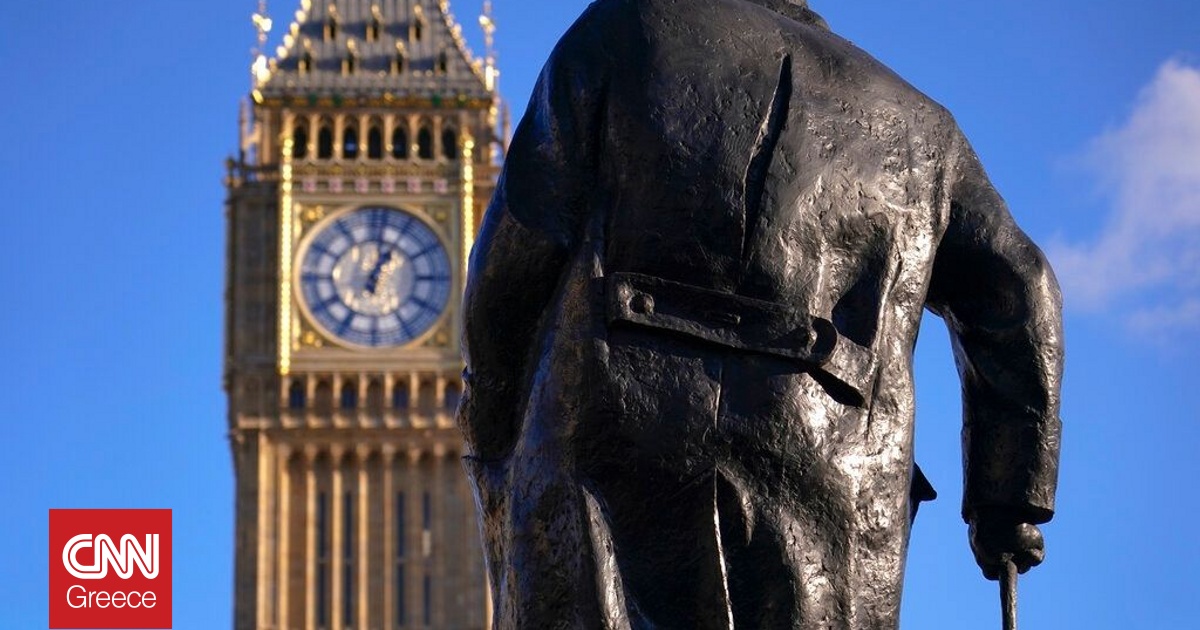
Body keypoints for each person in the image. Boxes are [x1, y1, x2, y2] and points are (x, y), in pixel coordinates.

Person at [457, 1, 1063, 627]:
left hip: (618, 428)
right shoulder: (924, 130)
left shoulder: (627, 25)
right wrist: (1008, 500)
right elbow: (1021, 289)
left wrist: (490, 422)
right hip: (834, 459)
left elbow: (518, 250)